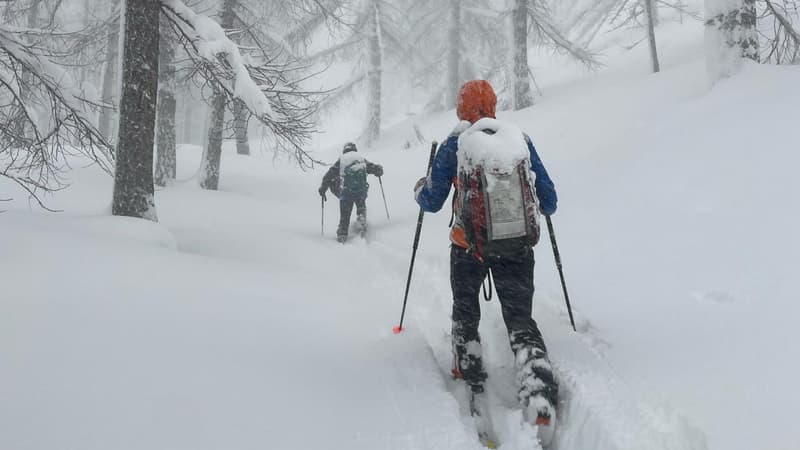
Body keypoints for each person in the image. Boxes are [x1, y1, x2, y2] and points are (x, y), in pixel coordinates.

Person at [413, 80, 559, 438]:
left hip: (468, 248)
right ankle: (538, 389)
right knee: (520, 320)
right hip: (517, 248)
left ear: (462, 108)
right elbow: (550, 200)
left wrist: (420, 187)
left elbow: (431, 201)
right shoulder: (517, 139)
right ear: (493, 104)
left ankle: (469, 366)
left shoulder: (456, 143)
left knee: (465, 310)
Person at [319, 142, 383, 243]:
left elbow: (328, 176)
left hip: (346, 194)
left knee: (345, 215)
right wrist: (379, 170)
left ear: (344, 150)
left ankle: (342, 235)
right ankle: (361, 222)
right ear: (354, 149)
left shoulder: (342, 160)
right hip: (361, 192)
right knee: (361, 207)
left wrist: (322, 189)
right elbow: (373, 168)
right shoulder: (360, 158)